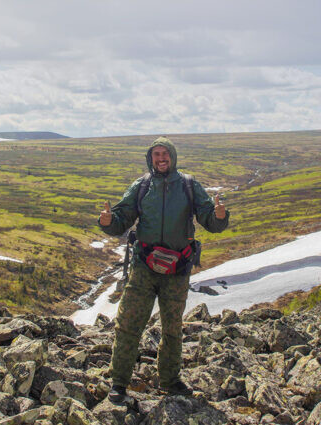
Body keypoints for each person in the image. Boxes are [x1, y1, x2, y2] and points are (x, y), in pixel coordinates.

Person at [98, 136, 230, 402]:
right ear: (151, 158)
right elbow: (122, 219)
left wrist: (219, 216)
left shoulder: (189, 186)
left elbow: (209, 219)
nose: (161, 158)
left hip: (177, 269)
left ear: (173, 156)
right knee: (128, 324)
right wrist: (108, 222)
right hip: (143, 267)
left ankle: (170, 381)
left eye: (165, 154)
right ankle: (119, 382)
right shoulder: (142, 186)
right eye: (156, 154)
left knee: (172, 328)